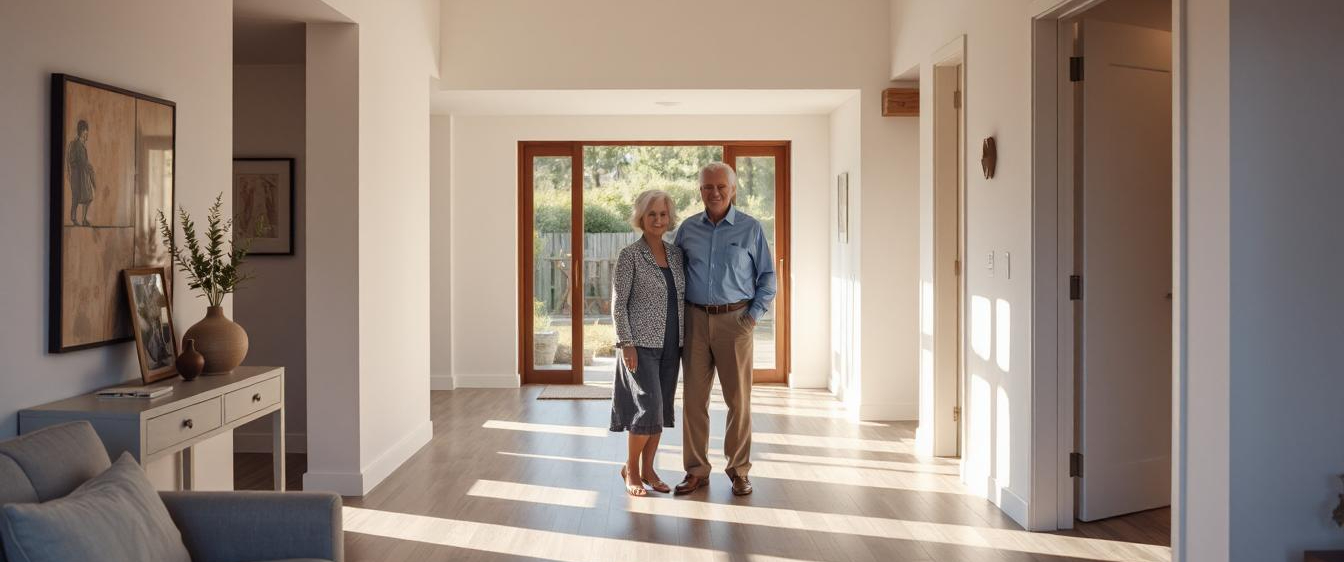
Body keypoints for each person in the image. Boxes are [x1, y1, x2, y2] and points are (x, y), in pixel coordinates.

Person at [674, 162, 775, 496]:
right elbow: (674, 274)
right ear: (700, 190)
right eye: (708, 187)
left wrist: (752, 316)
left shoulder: (750, 228)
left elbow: (767, 278)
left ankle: (739, 471)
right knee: (693, 401)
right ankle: (696, 471)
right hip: (695, 321)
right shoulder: (688, 229)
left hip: (736, 321)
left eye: (721, 186)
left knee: (738, 401)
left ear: (733, 189)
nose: (714, 192)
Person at [609, 189, 685, 496]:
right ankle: (631, 470)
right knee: (648, 407)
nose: (658, 219)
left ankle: (649, 469)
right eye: (651, 214)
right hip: (640, 344)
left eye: (663, 214)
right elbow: (618, 304)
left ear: (670, 217)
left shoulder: (677, 255)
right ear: (641, 218)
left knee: (661, 409)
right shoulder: (629, 255)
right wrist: (626, 342)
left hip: (673, 343)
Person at [67, 119, 96, 226]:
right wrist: (85, 166)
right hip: (77, 176)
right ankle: (74, 218)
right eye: (85, 132)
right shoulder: (75, 144)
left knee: (87, 197)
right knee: (76, 197)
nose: (87, 134)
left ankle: (83, 219)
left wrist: (88, 168)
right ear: (82, 132)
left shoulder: (81, 145)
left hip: (83, 176)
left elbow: (83, 161)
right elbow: (74, 160)